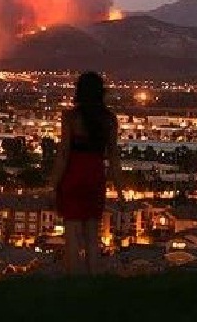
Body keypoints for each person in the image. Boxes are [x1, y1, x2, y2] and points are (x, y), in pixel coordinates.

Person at [49, 71, 124, 275]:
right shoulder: (109, 120)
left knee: (72, 232)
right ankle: (93, 278)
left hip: (73, 174)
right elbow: (114, 157)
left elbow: (63, 153)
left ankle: (73, 279)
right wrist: (120, 191)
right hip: (95, 175)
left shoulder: (70, 118)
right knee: (92, 233)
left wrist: (53, 184)